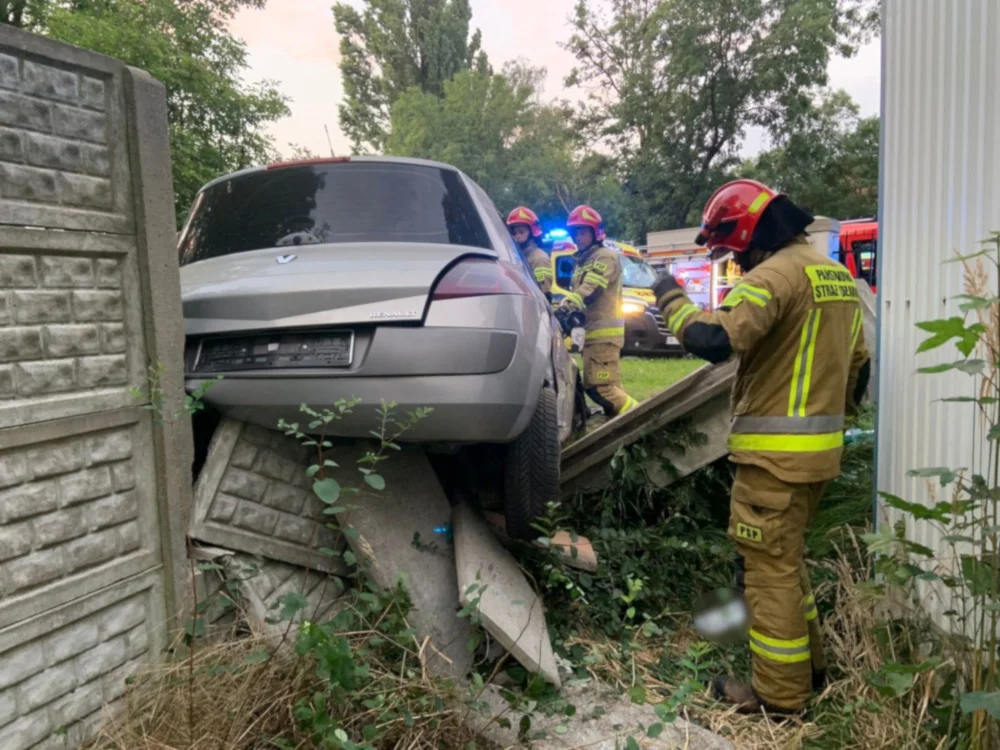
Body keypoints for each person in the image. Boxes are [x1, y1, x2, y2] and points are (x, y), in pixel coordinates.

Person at [652, 179, 871, 716]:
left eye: (732, 251)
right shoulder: (835, 275)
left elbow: (713, 339)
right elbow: (859, 365)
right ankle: (810, 671)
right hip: (819, 457)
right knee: (788, 565)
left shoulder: (774, 276)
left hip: (773, 464)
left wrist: (669, 295)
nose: (734, 263)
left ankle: (779, 697)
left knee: (766, 577)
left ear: (750, 234)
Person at [557, 205, 638, 417]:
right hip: (594, 337)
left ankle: (639, 420)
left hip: (604, 338)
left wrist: (566, 305)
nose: (578, 238)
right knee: (609, 387)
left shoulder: (605, 256)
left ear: (595, 232)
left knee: (601, 387)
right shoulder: (585, 259)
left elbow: (590, 289)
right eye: (575, 233)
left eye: (582, 232)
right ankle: (623, 428)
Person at [506, 206, 553, 300]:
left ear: (532, 233)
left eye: (521, 232)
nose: (517, 236)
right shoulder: (515, 257)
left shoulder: (539, 258)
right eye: (514, 233)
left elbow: (544, 293)